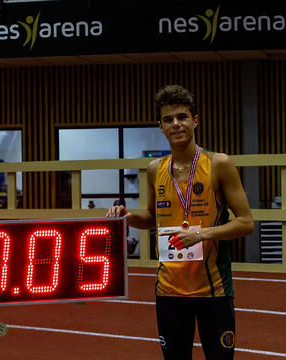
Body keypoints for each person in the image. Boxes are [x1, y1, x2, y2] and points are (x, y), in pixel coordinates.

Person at [107, 85, 254, 359]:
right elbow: (152, 218)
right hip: (169, 290)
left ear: (195, 120)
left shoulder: (219, 163)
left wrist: (202, 235)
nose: (176, 124)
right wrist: (128, 217)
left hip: (213, 290)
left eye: (182, 117)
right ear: (160, 126)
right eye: (168, 119)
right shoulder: (155, 170)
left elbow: (246, 223)